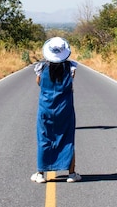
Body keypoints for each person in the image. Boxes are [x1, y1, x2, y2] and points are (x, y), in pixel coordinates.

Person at [31, 36, 81, 183]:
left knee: (44, 138)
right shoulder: (71, 67)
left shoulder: (41, 67)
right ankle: (71, 173)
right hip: (64, 107)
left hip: (46, 107)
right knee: (67, 137)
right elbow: (70, 82)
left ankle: (40, 173)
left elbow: (39, 83)